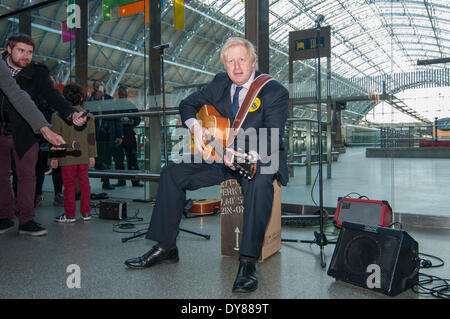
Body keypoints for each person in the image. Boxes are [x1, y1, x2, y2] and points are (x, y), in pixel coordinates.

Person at [124, 37, 289, 293]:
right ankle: (166, 246)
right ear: (224, 66)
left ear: (253, 61)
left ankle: (247, 262)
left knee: (260, 180)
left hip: (258, 157)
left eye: (241, 59)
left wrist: (250, 155)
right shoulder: (220, 83)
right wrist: (196, 126)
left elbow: (273, 135)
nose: (236, 66)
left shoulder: (274, 91)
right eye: (230, 61)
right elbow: (186, 104)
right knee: (172, 172)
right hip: (221, 157)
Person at [0, 33, 86, 237]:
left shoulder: (38, 72)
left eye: (30, 52)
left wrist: (70, 112)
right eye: (21, 50)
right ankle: (5, 217)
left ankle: (27, 219)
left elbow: (52, 95)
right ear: (9, 49)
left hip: (28, 130)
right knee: (1, 177)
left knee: (28, 176)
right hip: (2, 131)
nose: (26, 56)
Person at [51, 84, 97, 223]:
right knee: (85, 185)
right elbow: (91, 138)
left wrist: (54, 157)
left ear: (64, 98)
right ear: (82, 98)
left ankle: (70, 215)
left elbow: (55, 139)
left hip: (67, 157)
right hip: (83, 156)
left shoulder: (57, 116)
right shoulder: (88, 116)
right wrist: (92, 155)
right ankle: (86, 212)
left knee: (69, 186)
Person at [88, 80, 123, 190]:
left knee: (107, 158)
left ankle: (106, 181)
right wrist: (97, 100)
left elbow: (117, 118)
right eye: (97, 87)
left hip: (107, 133)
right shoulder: (90, 100)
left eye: (101, 86)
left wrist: (119, 135)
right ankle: (99, 175)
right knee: (97, 158)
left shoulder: (109, 99)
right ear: (94, 88)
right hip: (94, 133)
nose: (99, 89)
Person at [112, 85, 143, 187]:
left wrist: (132, 122)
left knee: (132, 158)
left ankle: (135, 180)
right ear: (118, 94)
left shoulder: (131, 106)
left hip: (129, 135)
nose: (123, 96)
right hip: (117, 135)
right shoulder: (114, 105)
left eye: (125, 95)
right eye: (121, 94)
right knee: (118, 159)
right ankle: (121, 181)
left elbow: (138, 119)